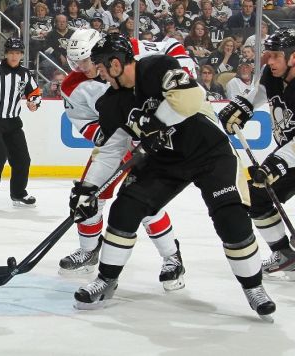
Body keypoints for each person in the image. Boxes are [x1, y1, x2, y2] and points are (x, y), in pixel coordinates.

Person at [72, 33, 275, 321]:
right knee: (125, 209)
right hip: (164, 161)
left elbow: (190, 97)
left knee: (231, 218)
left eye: (101, 66)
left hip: (210, 152)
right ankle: (106, 279)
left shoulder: (156, 68)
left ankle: (254, 288)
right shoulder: (111, 103)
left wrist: (155, 123)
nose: (99, 73)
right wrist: (87, 188)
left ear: (115, 64)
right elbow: (109, 150)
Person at [59, 29, 186, 291]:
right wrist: (109, 133)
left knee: (144, 203)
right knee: (87, 196)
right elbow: (84, 123)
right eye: (76, 63)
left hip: (152, 139)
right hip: (117, 144)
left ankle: (172, 258)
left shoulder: (130, 50)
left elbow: (173, 46)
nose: (83, 68)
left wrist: (183, 75)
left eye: (86, 61)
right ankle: (89, 251)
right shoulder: (72, 86)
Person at [218, 28, 295, 281]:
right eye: (268, 55)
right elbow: (260, 93)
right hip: (290, 151)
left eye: (275, 56)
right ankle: (284, 254)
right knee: (257, 194)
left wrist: (277, 163)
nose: (269, 61)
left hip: (291, 152)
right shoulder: (272, 75)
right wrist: (242, 107)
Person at [0, 37, 41, 208]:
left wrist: (34, 102)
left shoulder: (25, 73)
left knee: (23, 159)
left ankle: (18, 194)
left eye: (17, 53)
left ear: (21, 55)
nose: (14, 56)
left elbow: (34, 92)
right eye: (11, 52)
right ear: (5, 53)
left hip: (12, 122)